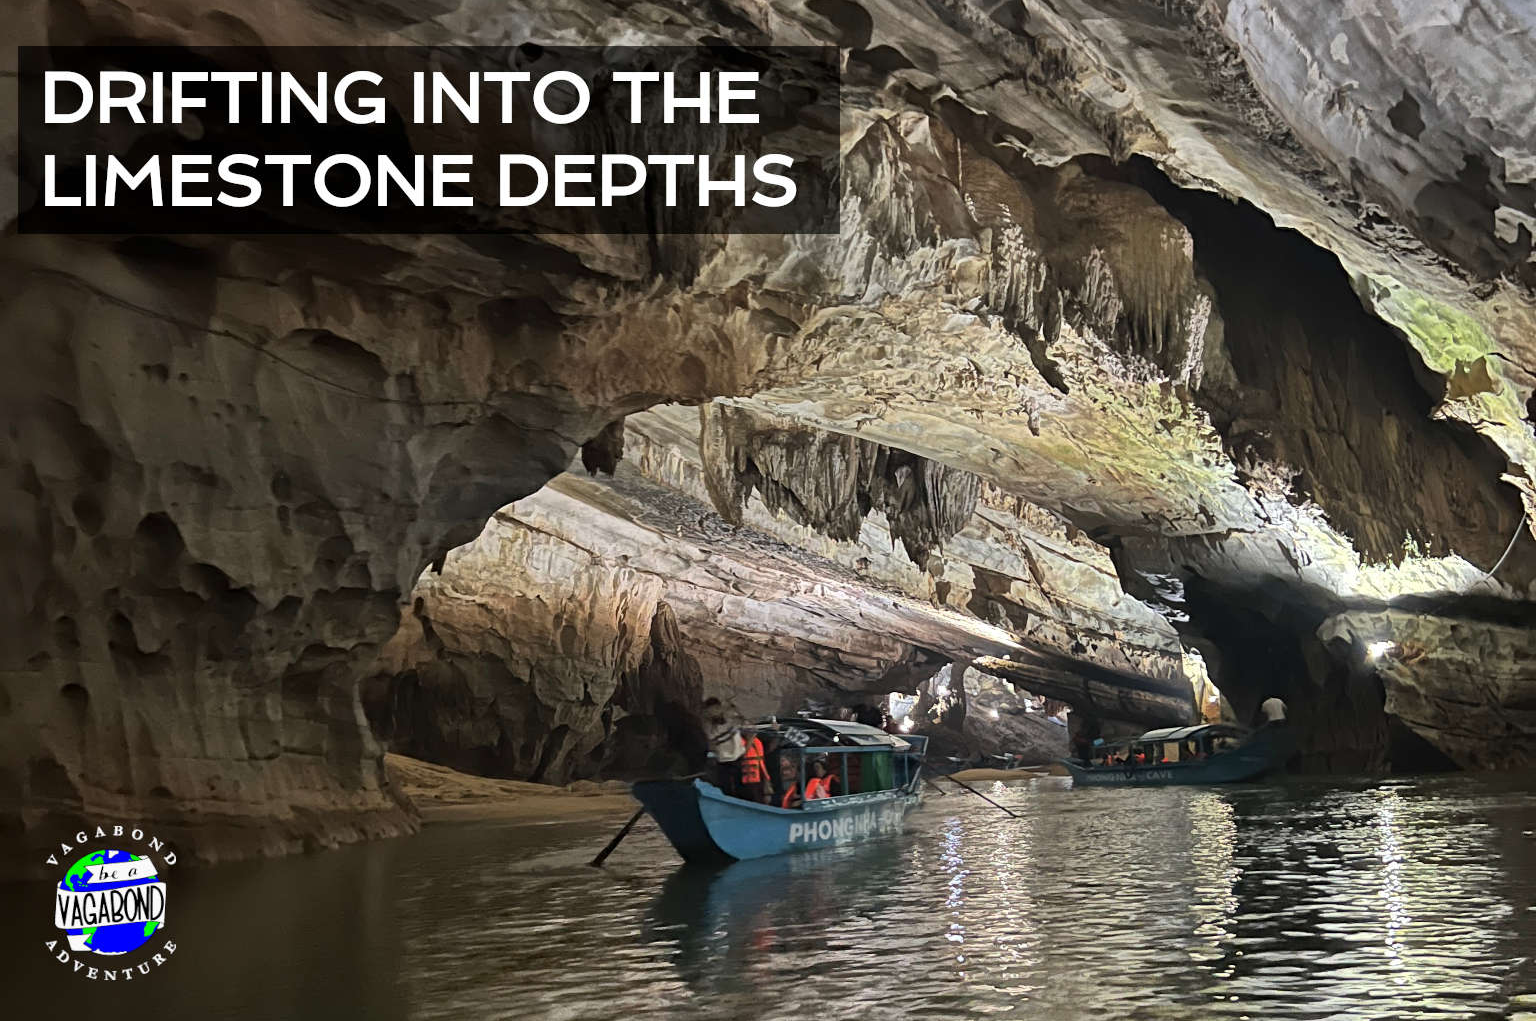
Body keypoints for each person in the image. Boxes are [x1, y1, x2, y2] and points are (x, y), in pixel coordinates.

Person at [740, 729, 768, 803]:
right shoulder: (740, 741)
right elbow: (741, 754)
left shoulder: (757, 740)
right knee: (752, 797)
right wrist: (750, 739)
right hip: (748, 776)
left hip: (760, 772)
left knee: (761, 797)